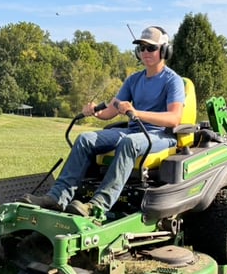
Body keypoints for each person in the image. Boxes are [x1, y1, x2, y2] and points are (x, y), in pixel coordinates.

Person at [20, 25, 186, 217]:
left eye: (151, 48)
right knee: (85, 139)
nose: (145, 52)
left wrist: (136, 113)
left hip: (160, 134)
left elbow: (174, 118)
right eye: (141, 48)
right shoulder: (133, 80)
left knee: (129, 142)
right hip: (133, 131)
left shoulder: (172, 80)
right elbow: (110, 111)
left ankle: (98, 205)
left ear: (164, 51)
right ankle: (57, 198)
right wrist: (94, 112)